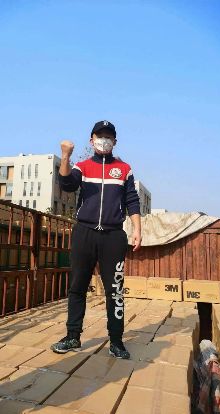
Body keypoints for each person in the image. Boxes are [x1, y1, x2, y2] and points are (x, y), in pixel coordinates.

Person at [51, 121, 142, 360]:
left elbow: (132, 200)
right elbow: (67, 184)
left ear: (115, 141)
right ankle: (72, 336)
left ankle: (116, 341)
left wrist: (137, 229)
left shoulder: (124, 169)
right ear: (91, 140)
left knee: (116, 290)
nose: (104, 140)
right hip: (84, 233)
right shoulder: (82, 166)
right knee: (77, 287)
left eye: (108, 136)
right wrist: (65, 155)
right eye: (100, 136)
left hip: (114, 236)